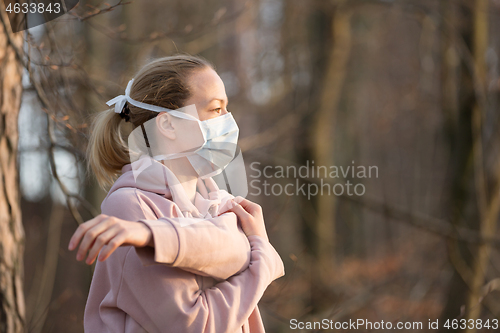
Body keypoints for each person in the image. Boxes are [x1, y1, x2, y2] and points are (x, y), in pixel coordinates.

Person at [68, 54, 285, 333]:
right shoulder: (129, 207)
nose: (228, 121)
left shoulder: (217, 201)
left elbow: (235, 250)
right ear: (168, 124)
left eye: (226, 108)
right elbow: (197, 324)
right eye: (216, 109)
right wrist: (261, 258)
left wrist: (254, 249)